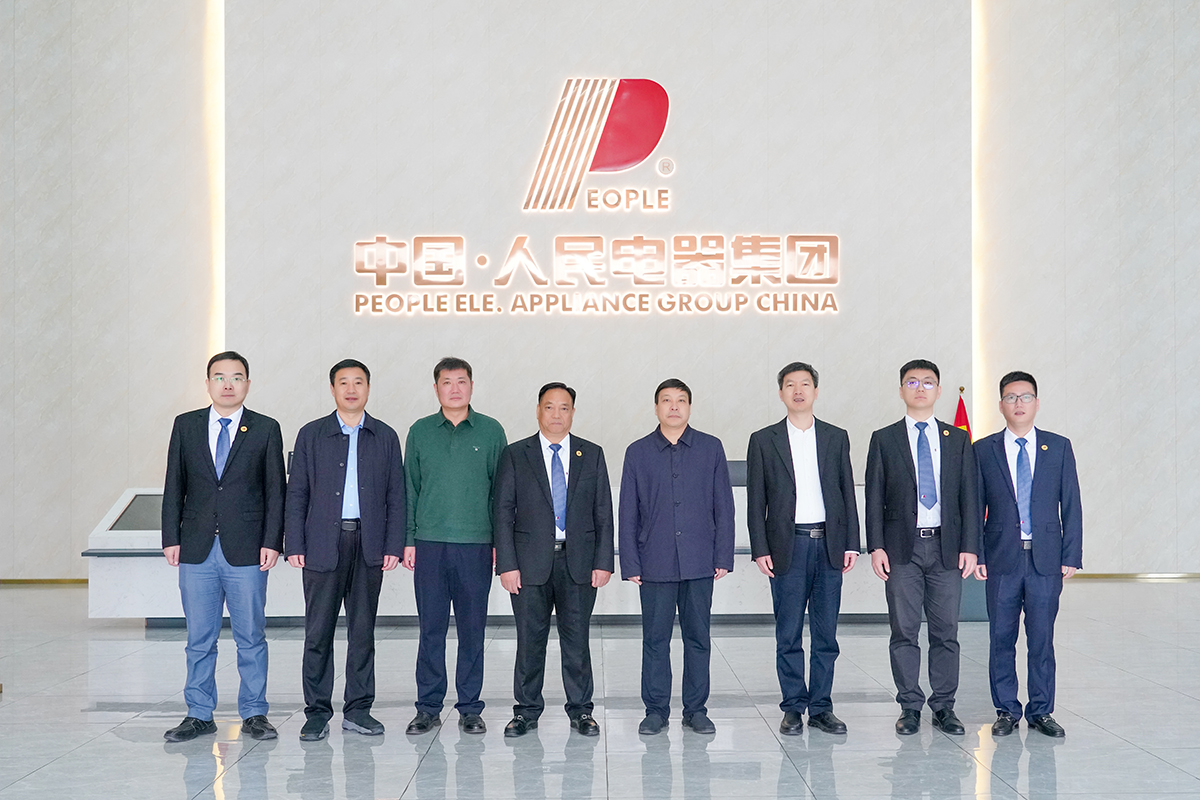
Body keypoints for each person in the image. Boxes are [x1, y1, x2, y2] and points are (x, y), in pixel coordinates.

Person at [161, 351, 286, 743]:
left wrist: (272, 541)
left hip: (247, 549)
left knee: (251, 637)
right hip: (197, 547)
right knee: (199, 639)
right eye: (219, 377)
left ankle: (255, 713)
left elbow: (276, 491)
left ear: (248, 383)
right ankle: (199, 714)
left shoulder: (265, 428)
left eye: (236, 377)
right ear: (207, 383)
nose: (228, 384)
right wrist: (170, 537)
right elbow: (174, 484)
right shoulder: (186, 425)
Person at [284, 359, 405, 741]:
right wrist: (294, 542)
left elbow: (396, 495)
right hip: (322, 543)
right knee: (318, 633)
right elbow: (296, 492)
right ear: (332, 389)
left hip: (369, 544)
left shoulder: (385, 436)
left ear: (368, 388)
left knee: (363, 632)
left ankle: (358, 710)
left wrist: (393, 544)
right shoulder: (311, 434)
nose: (351, 389)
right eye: (343, 383)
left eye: (358, 382)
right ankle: (317, 712)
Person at [493, 382, 615, 738]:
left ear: (573, 412)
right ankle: (526, 712)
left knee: (577, 641)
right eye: (549, 407)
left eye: (564, 407)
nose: (557, 414)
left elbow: (603, 512)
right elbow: (502, 512)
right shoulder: (516, 454)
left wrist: (603, 561)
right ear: (538, 411)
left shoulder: (591, 454)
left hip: (579, 564)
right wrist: (507, 565)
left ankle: (581, 710)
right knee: (529, 641)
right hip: (529, 565)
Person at [865, 359, 979, 736]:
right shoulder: (884, 439)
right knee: (904, 630)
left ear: (938, 391)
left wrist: (970, 546)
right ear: (901, 390)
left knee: (946, 631)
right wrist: (876, 546)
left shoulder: (957, 439)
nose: (919, 388)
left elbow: (969, 496)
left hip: (947, 548)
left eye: (927, 382)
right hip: (902, 549)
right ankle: (910, 706)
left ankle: (944, 706)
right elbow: (874, 497)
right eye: (912, 382)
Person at [746, 362, 860, 736]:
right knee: (789, 633)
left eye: (805, 384)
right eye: (791, 385)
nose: (798, 391)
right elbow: (756, 500)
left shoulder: (835, 437)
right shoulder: (764, 440)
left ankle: (822, 707)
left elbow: (847, 491)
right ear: (781, 393)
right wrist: (760, 547)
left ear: (815, 391)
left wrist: (852, 543)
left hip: (829, 545)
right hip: (787, 546)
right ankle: (793, 707)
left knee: (826, 634)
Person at [619, 378, 735, 736]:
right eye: (666, 400)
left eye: (681, 400)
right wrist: (630, 562)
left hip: (700, 560)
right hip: (654, 562)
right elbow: (628, 511)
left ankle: (696, 710)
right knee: (655, 640)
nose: (673, 406)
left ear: (689, 407)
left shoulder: (710, 448)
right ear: (656, 408)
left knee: (698, 638)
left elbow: (724, 506)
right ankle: (655, 711)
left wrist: (723, 555)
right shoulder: (637, 452)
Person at [974, 371, 1082, 738]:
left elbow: (1071, 503)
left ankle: (1041, 710)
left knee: (1041, 639)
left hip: (1045, 559)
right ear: (1000, 404)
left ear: (1037, 403)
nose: (1018, 403)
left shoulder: (1058, 447)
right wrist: (978, 553)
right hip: (1001, 558)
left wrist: (1071, 553)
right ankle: (1006, 709)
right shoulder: (983, 450)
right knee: (1001, 639)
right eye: (1011, 397)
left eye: (1025, 397)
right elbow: (974, 506)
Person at [403, 357, 507, 736]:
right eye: (447, 382)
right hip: (429, 544)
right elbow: (410, 489)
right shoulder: (420, 431)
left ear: (472, 386)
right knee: (431, 629)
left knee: (472, 630)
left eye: (461, 381)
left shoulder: (491, 432)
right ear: (436, 389)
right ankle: (428, 707)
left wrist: (499, 543)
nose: (455, 389)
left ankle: (470, 708)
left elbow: (501, 494)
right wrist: (409, 539)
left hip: (476, 545)